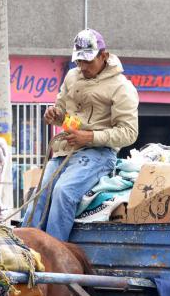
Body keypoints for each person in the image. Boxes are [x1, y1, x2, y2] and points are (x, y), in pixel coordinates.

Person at [23, 28, 138, 241]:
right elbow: (65, 116)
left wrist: (91, 137)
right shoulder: (71, 76)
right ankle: (23, 250)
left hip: (98, 155)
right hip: (64, 151)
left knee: (63, 192)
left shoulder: (122, 87)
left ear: (103, 56)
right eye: (79, 62)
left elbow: (129, 133)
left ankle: (53, 255)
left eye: (88, 61)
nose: (83, 67)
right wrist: (55, 116)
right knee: (39, 196)